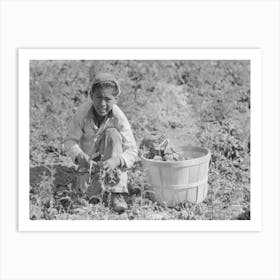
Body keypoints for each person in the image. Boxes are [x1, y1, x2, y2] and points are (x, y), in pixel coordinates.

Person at [63, 72, 138, 213]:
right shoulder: (82, 113)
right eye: (98, 97)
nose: (102, 104)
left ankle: (116, 193)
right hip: (89, 164)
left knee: (113, 133)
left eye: (108, 99)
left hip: (112, 167)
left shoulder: (118, 117)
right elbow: (69, 140)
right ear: (91, 95)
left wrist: (117, 160)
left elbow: (132, 150)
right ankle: (93, 191)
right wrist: (79, 155)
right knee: (90, 199)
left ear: (116, 99)